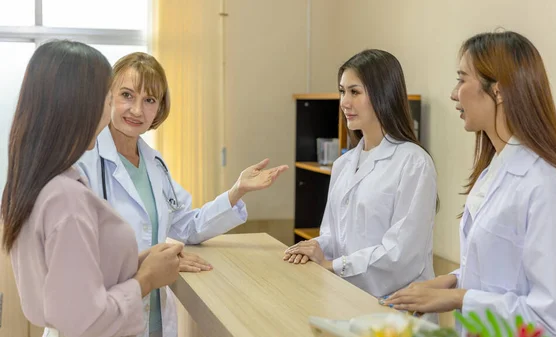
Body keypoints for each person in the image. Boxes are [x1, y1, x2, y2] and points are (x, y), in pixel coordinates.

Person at [383, 31, 556, 336]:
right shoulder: (495, 169)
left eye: (462, 79)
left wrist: (458, 298)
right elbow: (501, 268)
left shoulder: (550, 186)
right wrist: (452, 280)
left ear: (499, 90)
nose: (454, 94)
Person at [76, 52, 288, 337]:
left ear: (159, 108)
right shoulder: (83, 161)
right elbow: (77, 255)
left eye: (149, 100)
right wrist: (151, 264)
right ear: (108, 96)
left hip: (152, 319)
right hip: (103, 319)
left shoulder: (154, 164)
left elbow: (187, 225)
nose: (137, 110)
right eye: (127, 95)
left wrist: (237, 191)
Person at [2, 40, 182, 337]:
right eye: (111, 97)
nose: (116, 107)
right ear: (80, 106)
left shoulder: (36, 182)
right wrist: (147, 278)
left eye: (149, 100)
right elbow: (85, 320)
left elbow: (75, 272)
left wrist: (142, 261)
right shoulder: (66, 198)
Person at [284, 49, 438, 299]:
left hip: (394, 309)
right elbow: (334, 235)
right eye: (342, 91)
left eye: (354, 92)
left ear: (383, 95)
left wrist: (332, 266)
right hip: (345, 297)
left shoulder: (413, 162)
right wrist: (313, 248)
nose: (344, 102)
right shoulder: (343, 164)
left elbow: (401, 255)